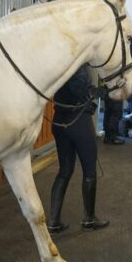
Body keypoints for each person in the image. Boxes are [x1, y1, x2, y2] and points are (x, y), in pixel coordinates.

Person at [48, 65, 110, 233]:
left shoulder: (61, 60)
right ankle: (89, 219)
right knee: (89, 171)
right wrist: (98, 91)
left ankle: (53, 221)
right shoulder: (79, 64)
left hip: (59, 119)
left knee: (65, 170)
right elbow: (80, 88)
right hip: (79, 121)